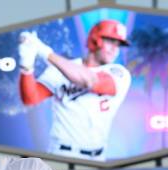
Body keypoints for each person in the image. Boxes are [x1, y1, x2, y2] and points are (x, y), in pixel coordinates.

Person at [18, 20, 131, 161]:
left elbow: (90, 81)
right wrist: (26, 64)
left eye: (118, 44)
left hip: (97, 158)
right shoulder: (62, 69)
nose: (115, 48)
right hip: (61, 154)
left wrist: (44, 51)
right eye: (111, 41)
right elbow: (30, 98)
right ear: (95, 40)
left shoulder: (118, 73)